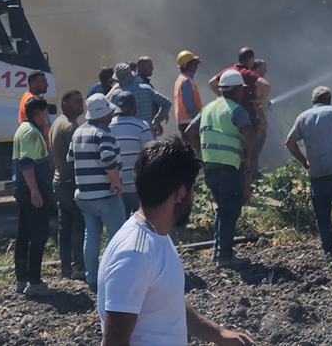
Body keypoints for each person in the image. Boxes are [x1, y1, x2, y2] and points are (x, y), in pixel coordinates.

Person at [97, 136, 255, 346]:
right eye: (192, 188)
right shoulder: (135, 254)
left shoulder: (155, 236)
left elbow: (167, 304)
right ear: (181, 193)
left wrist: (218, 334)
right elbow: (114, 341)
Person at [185, 70, 256, 268]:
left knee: (222, 210)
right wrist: (248, 156)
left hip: (210, 168)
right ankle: (225, 257)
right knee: (230, 212)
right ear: (237, 90)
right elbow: (249, 134)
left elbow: (190, 131)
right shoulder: (237, 110)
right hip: (230, 167)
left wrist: (200, 150)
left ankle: (219, 252)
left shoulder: (207, 109)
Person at [284, 86, 332, 258]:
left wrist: (304, 161)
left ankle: (328, 249)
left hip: (317, 172)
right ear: (329, 99)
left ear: (313, 101)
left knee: (322, 213)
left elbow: (290, 143)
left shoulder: (303, 117)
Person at [69, 93, 127, 292]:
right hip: (105, 194)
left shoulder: (78, 132)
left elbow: (70, 158)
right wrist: (116, 180)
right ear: (103, 114)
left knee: (91, 236)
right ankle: (111, 275)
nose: (111, 115)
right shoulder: (103, 133)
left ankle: (92, 277)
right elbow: (108, 158)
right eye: (109, 112)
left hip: (84, 195)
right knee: (117, 235)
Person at [13, 94, 54, 297]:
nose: (47, 116)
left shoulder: (22, 129)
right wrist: (35, 191)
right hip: (33, 187)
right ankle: (34, 281)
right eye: (45, 112)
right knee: (38, 234)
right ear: (40, 113)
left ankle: (21, 278)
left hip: (23, 188)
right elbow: (26, 163)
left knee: (24, 233)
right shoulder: (31, 133)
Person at [209, 48, 270, 172]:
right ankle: (249, 177)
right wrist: (260, 100)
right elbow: (266, 85)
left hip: (228, 115)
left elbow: (211, 83)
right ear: (251, 59)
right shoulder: (248, 73)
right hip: (248, 115)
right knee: (250, 147)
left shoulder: (228, 71)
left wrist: (223, 97)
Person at [48, 89, 87, 281]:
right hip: (69, 182)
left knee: (65, 225)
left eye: (81, 100)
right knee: (80, 220)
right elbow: (77, 158)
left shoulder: (57, 123)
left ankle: (66, 267)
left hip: (59, 181)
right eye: (76, 101)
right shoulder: (71, 127)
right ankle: (78, 265)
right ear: (65, 104)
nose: (81, 104)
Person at [110, 90, 154, 217]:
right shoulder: (141, 126)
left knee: (121, 224)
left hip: (116, 187)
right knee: (141, 222)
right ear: (133, 106)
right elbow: (151, 154)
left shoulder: (108, 127)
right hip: (137, 186)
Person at [108, 62, 171, 137]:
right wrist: (157, 120)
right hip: (148, 134)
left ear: (118, 80)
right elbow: (167, 103)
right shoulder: (146, 89)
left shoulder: (116, 94)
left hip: (127, 136)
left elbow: (108, 114)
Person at [249, 59, 271, 180]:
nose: (265, 71)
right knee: (255, 147)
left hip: (257, 120)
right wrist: (261, 120)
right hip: (256, 121)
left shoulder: (257, 82)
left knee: (257, 147)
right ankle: (251, 173)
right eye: (263, 69)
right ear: (256, 69)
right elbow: (255, 104)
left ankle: (254, 171)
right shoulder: (256, 83)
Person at [174, 50, 203, 135]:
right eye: (194, 64)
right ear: (187, 65)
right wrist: (198, 118)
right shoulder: (187, 80)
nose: (196, 67)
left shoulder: (180, 79)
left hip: (185, 121)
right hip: (190, 121)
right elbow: (189, 103)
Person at [18, 70, 51, 139]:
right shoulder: (32, 101)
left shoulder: (27, 96)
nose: (47, 85)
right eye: (43, 82)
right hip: (36, 140)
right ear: (33, 85)